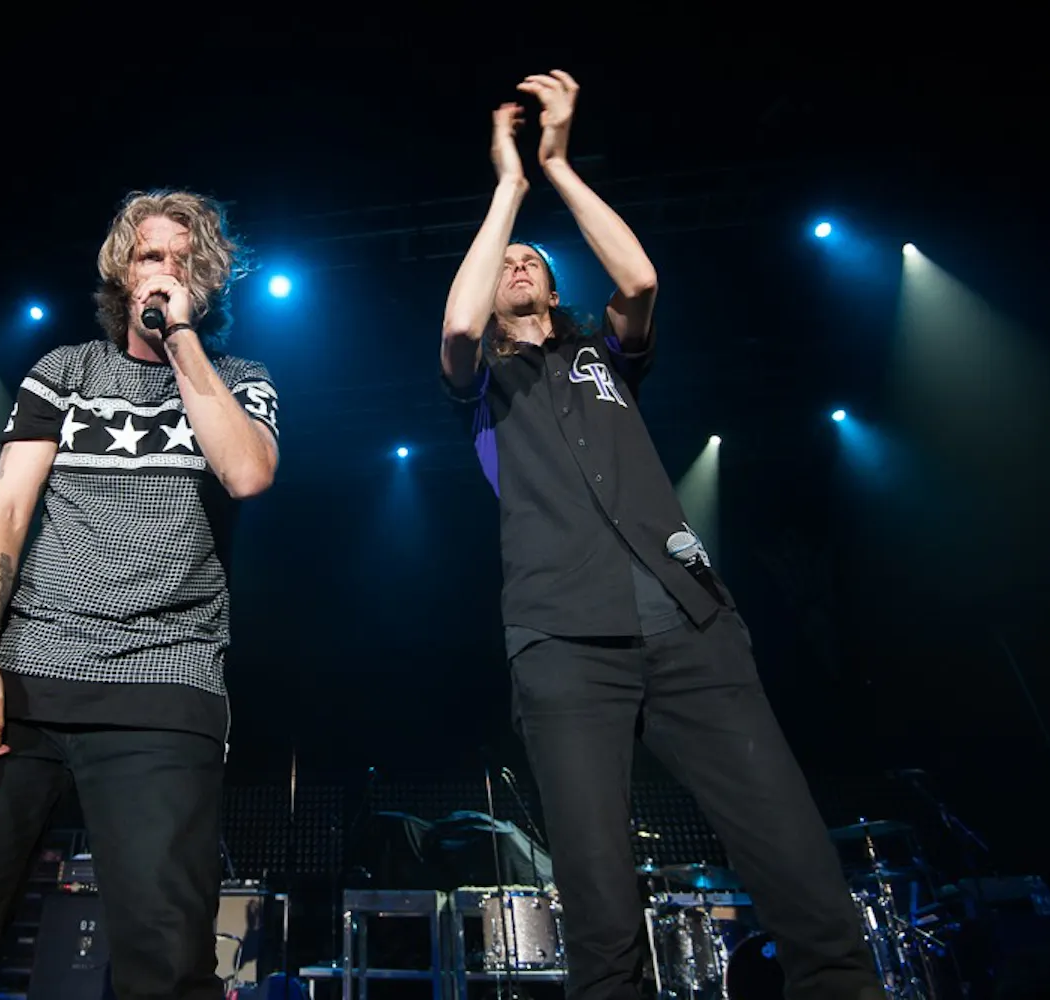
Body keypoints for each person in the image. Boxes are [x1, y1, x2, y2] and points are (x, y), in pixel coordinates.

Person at [439, 71, 886, 1000]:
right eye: (505, 260)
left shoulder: (600, 353)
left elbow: (639, 278)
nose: (518, 266)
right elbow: (456, 321)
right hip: (563, 642)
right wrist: (508, 187)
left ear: (555, 287)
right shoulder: (482, 383)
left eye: (533, 260)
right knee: (598, 893)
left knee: (792, 852)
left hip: (691, 624)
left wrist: (557, 165)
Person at [0, 189, 280, 1000]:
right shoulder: (65, 371)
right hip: (28, 675)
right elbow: (3, 509)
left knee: (166, 958)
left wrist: (183, 342)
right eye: (149, 255)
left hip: (164, 686)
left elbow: (246, 473)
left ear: (208, 283)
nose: (163, 271)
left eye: (184, 261)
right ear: (121, 273)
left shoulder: (241, 381)